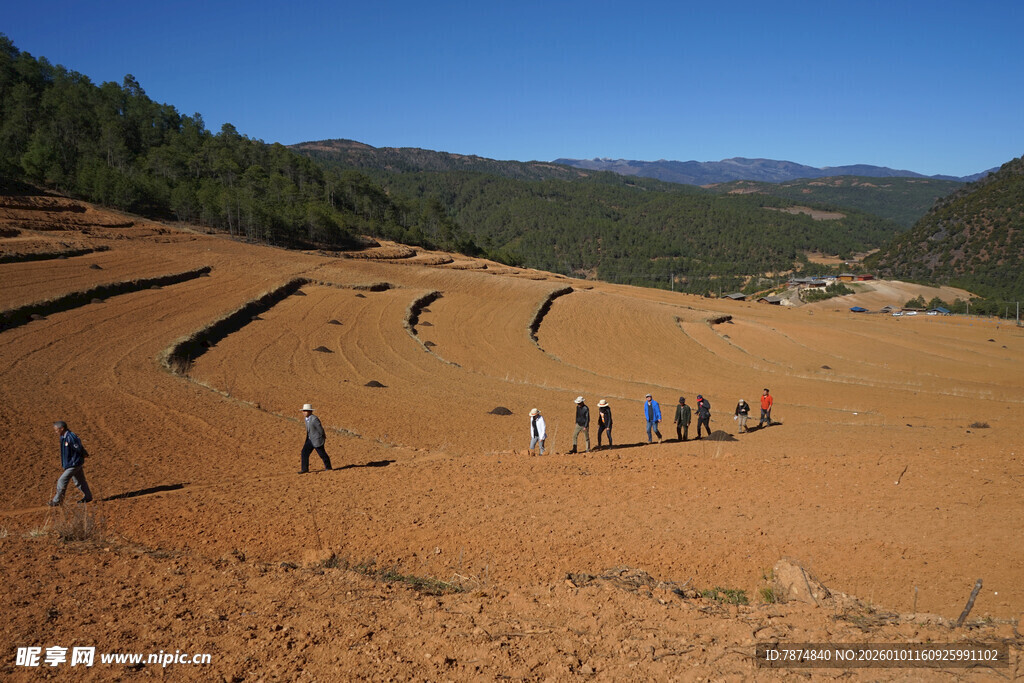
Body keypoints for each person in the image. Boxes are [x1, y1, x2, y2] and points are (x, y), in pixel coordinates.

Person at [49, 421, 93, 506]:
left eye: (56, 430)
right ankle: (88, 497)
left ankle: (57, 501)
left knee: (62, 480)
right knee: (79, 481)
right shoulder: (63, 437)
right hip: (72, 463)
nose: (55, 432)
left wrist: (83, 454)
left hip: (74, 464)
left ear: (62, 429)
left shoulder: (70, 437)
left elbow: (78, 447)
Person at [298, 403, 332, 473]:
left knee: (322, 454)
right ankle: (304, 469)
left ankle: (328, 467)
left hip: (317, 440)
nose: (304, 412)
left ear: (310, 411)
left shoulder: (314, 419)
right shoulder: (306, 419)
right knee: (304, 452)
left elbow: (320, 429)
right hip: (310, 440)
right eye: (303, 411)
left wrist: (322, 436)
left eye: (305, 411)